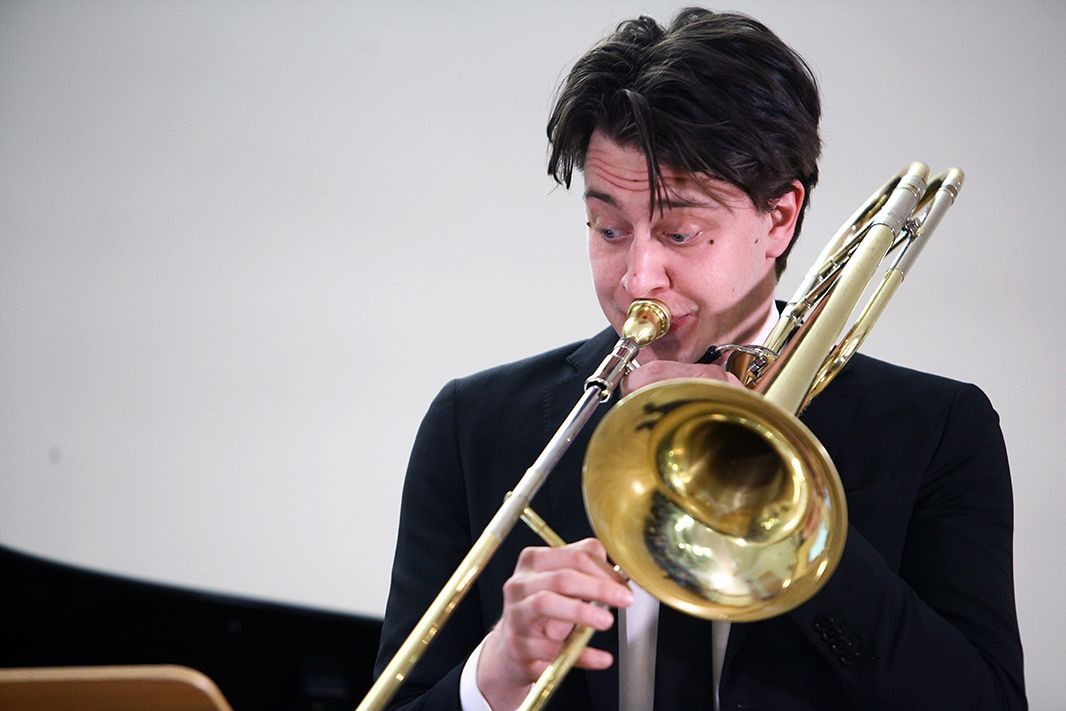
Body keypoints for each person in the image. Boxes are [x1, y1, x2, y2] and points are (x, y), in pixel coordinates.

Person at [373, 8, 1026, 710]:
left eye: (680, 232)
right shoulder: (474, 424)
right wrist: (494, 674)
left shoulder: (937, 429)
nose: (638, 277)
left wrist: (797, 532)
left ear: (779, 218)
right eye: (609, 228)